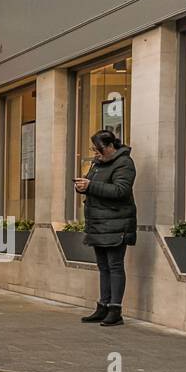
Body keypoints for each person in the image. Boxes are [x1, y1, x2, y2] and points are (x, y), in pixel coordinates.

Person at [73, 130, 136, 326]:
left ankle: (115, 309)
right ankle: (103, 305)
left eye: (98, 149)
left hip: (117, 223)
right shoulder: (97, 163)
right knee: (103, 266)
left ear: (110, 147)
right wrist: (82, 185)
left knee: (115, 266)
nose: (95, 153)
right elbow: (93, 184)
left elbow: (121, 190)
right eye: (93, 149)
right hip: (98, 223)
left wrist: (90, 186)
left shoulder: (124, 163)